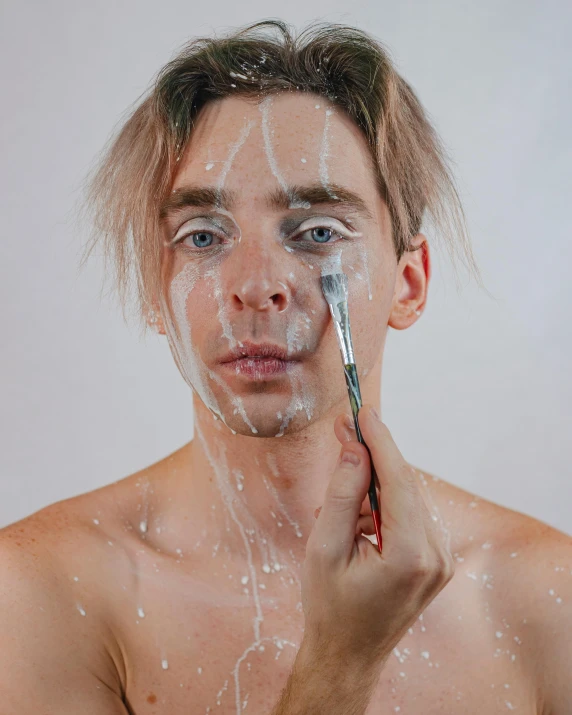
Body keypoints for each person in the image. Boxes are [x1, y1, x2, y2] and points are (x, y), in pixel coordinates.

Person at [1, 19, 570, 714]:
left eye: (317, 232)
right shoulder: (40, 593)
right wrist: (339, 664)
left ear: (409, 281)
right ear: (156, 287)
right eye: (203, 236)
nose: (256, 284)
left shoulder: (547, 598)